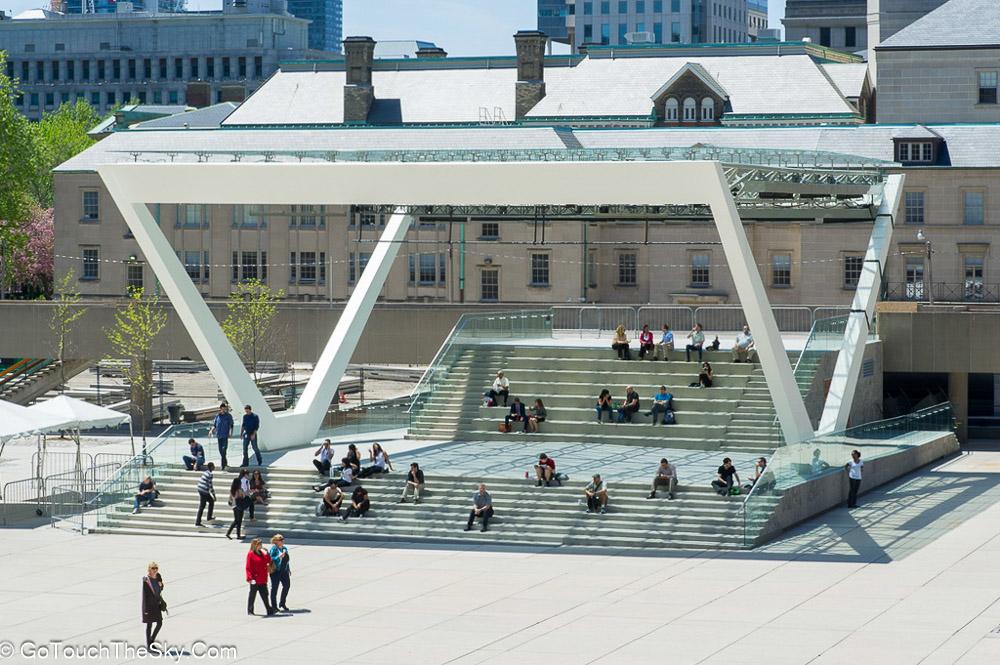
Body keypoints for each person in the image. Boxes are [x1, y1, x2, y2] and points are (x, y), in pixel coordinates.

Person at [245, 538, 275, 616]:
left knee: (265, 594)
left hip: (262, 578)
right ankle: (250, 610)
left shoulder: (262, 553)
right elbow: (248, 567)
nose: (260, 546)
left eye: (261, 544)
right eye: (259, 544)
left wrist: (267, 553)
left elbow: (268, 561)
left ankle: (269, 609)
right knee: (252, 595)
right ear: (254, 545)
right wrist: (250, 578)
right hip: (255, 578)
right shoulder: (251, 554)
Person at [141, 562, 164, 650]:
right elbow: (145, 595)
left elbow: (161, 587)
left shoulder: (158, 576)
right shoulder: (146, 580)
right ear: (149, 569)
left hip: (157, 604)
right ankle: (149, 645)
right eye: (153, 568)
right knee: (149, 625)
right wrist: (145, 609)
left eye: (156, 568)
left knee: (159, 623)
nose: (155, 570)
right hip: (149, 606)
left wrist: (161, 585)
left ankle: (151, 640)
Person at [268, 534, 291, 613]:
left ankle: (282, 603)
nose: (282, 541)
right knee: (274, 588)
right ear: (276, 541)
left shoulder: (284, 548)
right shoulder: (274, 549)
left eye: (283, 540)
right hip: (275, 571)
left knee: (287, 586)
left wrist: (289, 569)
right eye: (281, 540)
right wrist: (278, 557)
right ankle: (274, 606)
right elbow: (270, 559)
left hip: (284, 571)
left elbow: (287, 560)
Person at [210, 403, 234, 471]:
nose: (223, 410)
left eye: (224, 409)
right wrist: (211, 430)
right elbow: (214, 425)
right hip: (219, 435)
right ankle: (225, 462)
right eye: (222, 409)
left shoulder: (228, 416)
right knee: (221, 450)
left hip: (225, 435)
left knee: (224, 449)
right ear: (220, 409)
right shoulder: (217, 416)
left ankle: (222, 465)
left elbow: (231, 425)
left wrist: (231, 433)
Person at [226, 475, 249, 540]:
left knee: (236, 520)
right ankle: (238, 535)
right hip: (239, 506)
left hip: (234, 506)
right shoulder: (239, 490)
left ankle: (228, 533)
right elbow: (243, 496)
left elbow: (230, 499)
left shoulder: (232, 490)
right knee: (239, 521)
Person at [195, 462, 216, 527]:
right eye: (213, 466)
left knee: (209, 502)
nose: (214, 467)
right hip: (204, 491)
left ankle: (208, 517)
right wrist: (214, 495)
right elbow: (210, 486)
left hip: (200, 489)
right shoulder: (210, 474)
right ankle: (198, 521)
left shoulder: (205, 472)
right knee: (203, 505)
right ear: (211, 467)